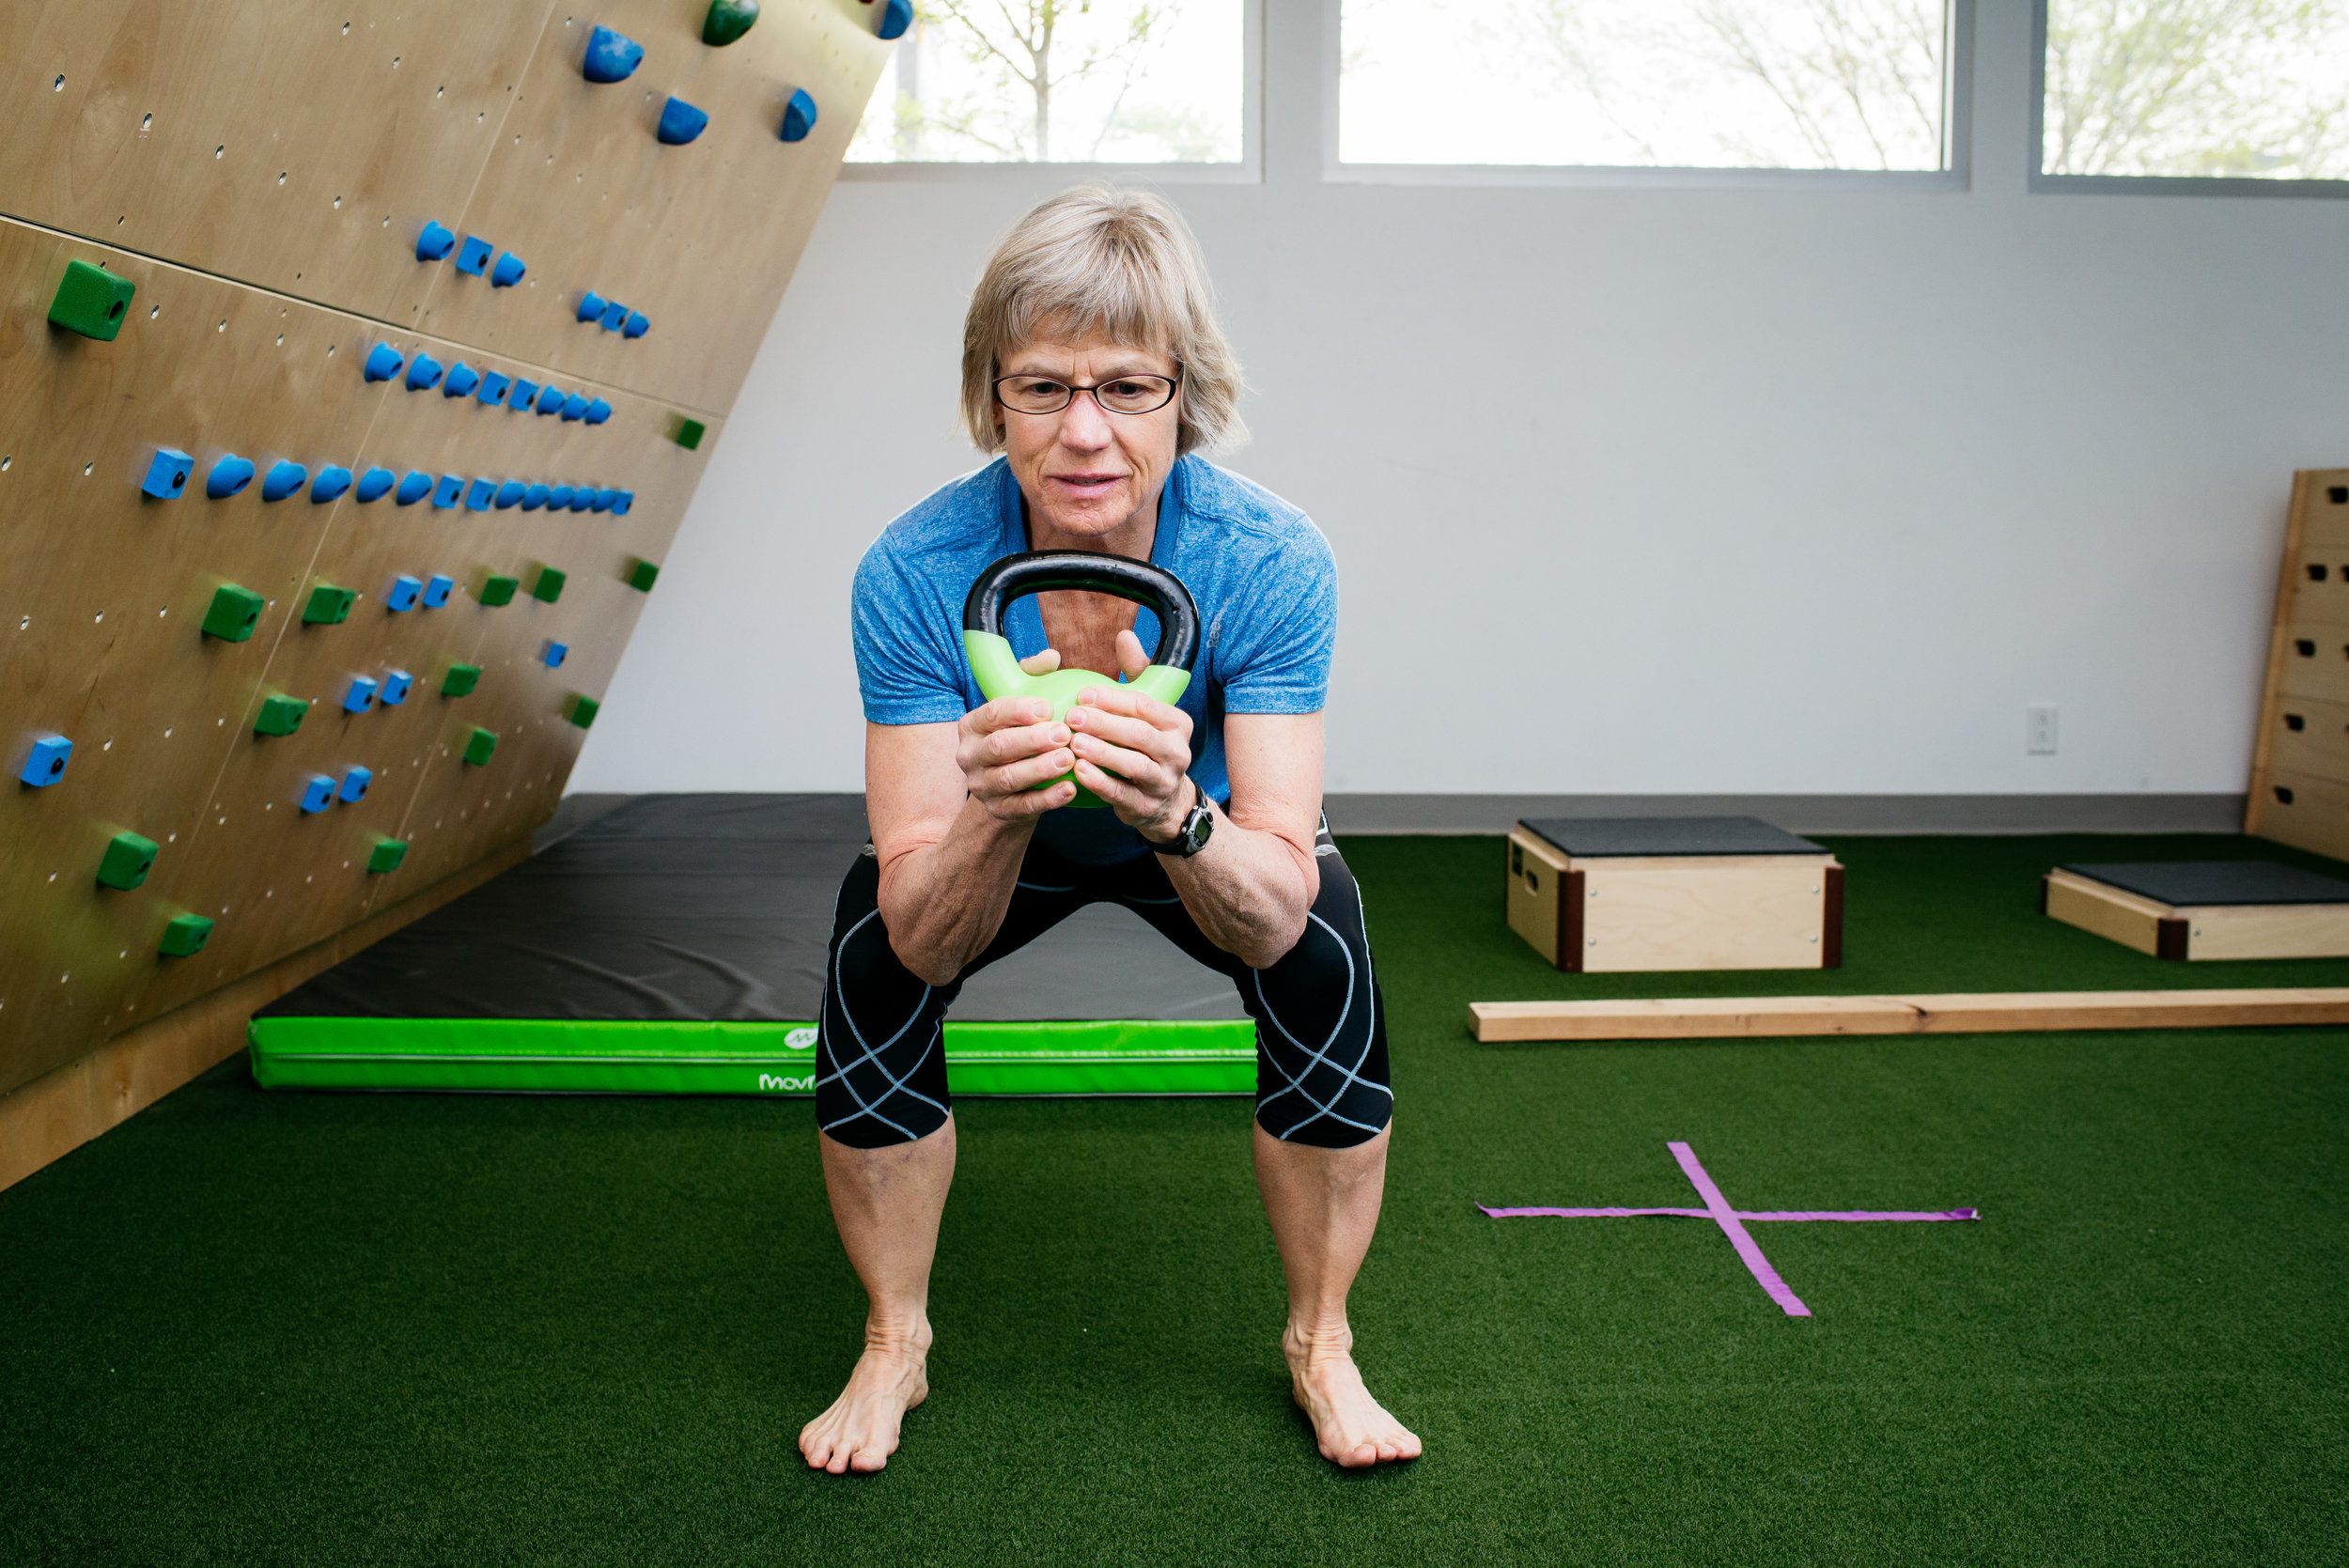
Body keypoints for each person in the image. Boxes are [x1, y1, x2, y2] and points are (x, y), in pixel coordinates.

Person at [801, 185, 1418, 1475]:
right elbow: (923, 935)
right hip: (1004, 826)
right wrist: (995, 805)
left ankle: (1322, 1340)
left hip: (1191, 826)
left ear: (1185, 392)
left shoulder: (1268, 559)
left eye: (1128, 387)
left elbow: (1276, 904)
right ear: (994, 399)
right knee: (870, 961)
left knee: (1326, 958)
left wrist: (1176, 809)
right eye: (1042, 387)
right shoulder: (913, 571)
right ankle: (894, 1338)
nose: (1084, 431)